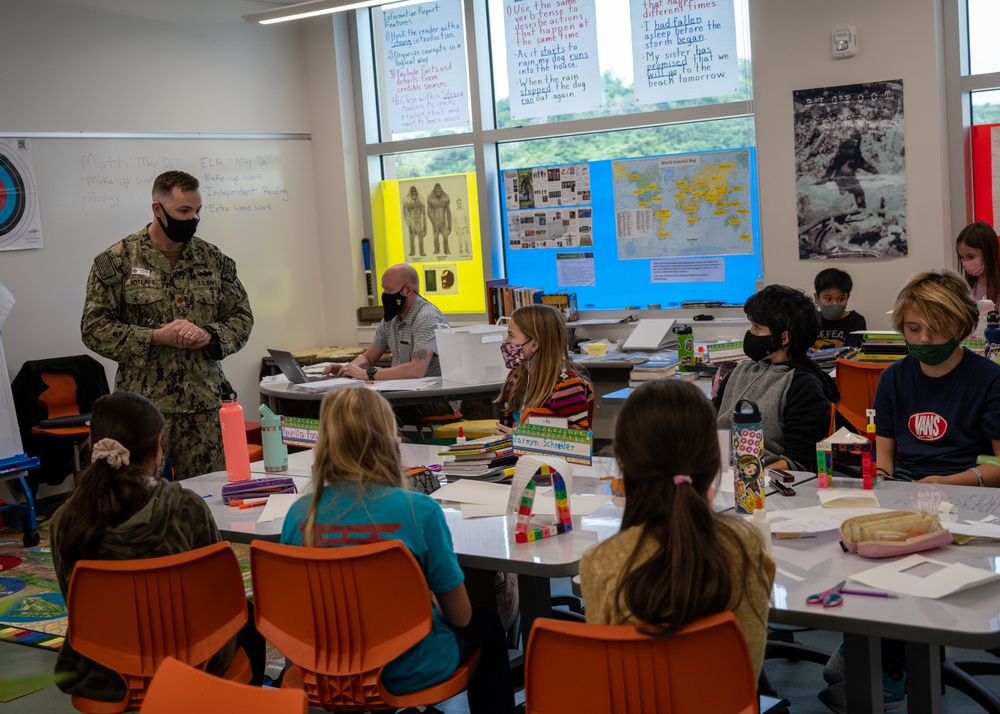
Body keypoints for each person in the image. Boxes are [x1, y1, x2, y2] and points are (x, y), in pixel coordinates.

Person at [280, 388, 515, 714]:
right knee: (486, 622)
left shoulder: (298, 515)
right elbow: (460, 616)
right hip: (408, 669)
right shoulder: (420, 511)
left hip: (323, 668)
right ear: (392, 442)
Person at [49, 391, 265, 700]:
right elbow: (223, 594)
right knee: (248, 618)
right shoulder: (185, 507)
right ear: (158, 447)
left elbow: (75, 606)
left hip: (104, 670)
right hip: (193, 662)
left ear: (93, 443)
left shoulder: (64, 521)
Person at [579, 380, 775, 679]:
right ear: (713, 462)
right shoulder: (745, 546)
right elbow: (750, 669)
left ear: (623, 464)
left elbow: (611, 680)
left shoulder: (602, 563)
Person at [80, 170, 254, 481]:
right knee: (136, 496)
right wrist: (154, 337)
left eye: (198, 210)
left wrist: (210, 334)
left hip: (204, 405)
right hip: (142, 408)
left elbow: (241, 317)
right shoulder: (117, 261)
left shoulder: (213, 259)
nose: (193, 218)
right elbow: (94, 328)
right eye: (183, 211)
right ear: (157, 209)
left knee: (211, 496)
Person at [873, 268, 1000, 484]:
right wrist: (881, 478)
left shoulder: (989, 379)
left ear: (961, 327)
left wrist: (951, 482)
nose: (923, 338)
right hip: (907, 484)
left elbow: (997, 461)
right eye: (913, 328)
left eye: (937, 328)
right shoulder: (892, 378)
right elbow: (884, 455)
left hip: (968, 484)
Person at [715, 284, 840, 472]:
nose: (750, 333)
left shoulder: (802, 385)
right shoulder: (739, 372)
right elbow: (707, 423)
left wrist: (748, 480)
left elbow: (797, 460)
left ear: (784, 338)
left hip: (763, 483)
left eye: (757, 328)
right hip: (718, 473)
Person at [323, 262, 454, 421]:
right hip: (401, 392)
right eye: (383, 289)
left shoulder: (426, 317)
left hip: (436, 397)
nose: (385, 295)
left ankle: (393, 445)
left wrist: (367, 374)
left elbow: (416, 370)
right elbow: (369, 358)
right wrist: (349, 369)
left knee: (376, 410)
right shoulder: (392, 318)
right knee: (349, 404)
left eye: (390, 290)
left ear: (408, 290)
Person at [494, 303, 594, 433]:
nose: (506, 342)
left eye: (511, 336)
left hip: (544, 453)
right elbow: (507, 428)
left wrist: (524, 438)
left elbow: (580, 442)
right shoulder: (516, 378)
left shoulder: (566, 385)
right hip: (516, 452)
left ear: (534, 344)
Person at [817, 131, 878, 211]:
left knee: (852, 194)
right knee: (857, 192)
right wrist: (825, 178)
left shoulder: (851, 150)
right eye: (855, 141)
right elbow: (835, 164)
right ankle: (861, 211)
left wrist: (873, 170)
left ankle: (856, 211)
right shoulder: (848, 150)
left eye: (857, 141)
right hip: (844, 176)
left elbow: (862, 163)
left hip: (845, 176)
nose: (856, 143)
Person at [813, 267, 867, 349]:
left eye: (841, 299)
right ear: (817, 298)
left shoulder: (856, 321)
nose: (834, 304)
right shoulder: (810, 320)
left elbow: (852, 353)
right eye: (828, 299)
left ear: (847, 298)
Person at [955, 220, 1000, 306]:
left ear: (988, 251)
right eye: (962, 257)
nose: (966, 262)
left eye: (971, 256)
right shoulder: (965, 290)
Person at [427, 182, 452, 259]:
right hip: (435, 223)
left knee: (445, 237)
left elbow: (448, 212)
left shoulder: (446, 198)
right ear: (434, 191)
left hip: (443, 223)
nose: (438, 192)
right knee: (435, 238)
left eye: (439, 190)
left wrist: (450, 226)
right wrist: (433, 224)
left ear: (441, 190)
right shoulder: (430, 198)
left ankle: (446, 249)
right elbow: (428, 212)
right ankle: (436, 250)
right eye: (437, 191)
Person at [402, 185, 428, 260]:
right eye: (412, 191)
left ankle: (422, 251)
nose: (413, 193)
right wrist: (408, 224)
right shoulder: (406, 200)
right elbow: (405, 214)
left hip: (419, 222)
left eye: (414, 191)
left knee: (420, 238)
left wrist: (425, 227)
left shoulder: (421, 200)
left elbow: (424, 215)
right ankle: (412, 251)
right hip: (411, 222)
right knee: (411, 238)